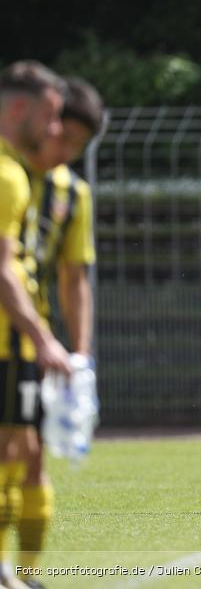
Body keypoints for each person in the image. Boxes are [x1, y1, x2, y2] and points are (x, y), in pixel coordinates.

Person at [14, 76, 102, 588]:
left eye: (77, 145)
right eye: (61, 136)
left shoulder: (71, 193)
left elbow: (74, 277)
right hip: (23, 336)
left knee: (28, 456)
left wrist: (80, 355)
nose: (64, 151)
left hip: (27, 342)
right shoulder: (8, 174)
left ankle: (24, 573)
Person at [0, 61, 72, 589]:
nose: (55, 130)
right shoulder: (8, 177)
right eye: (49, 117)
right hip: (6, 344)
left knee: (20, 452)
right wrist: (42, 337)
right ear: (20, 108)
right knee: (13, 453)